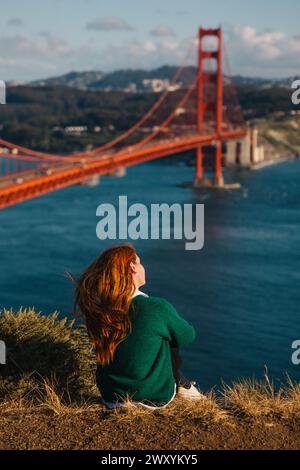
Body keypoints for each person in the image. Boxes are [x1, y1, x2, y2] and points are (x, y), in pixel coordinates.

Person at [74, 243, 204, 409]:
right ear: (132, 267)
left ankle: (182, 383)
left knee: (155, 332)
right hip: (153, 397)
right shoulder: (156, 307)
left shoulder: (102, 312)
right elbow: (188, 335)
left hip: (111, 397)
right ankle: (182, 385)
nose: (143, 267)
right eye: (140, 262)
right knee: (168, 337)